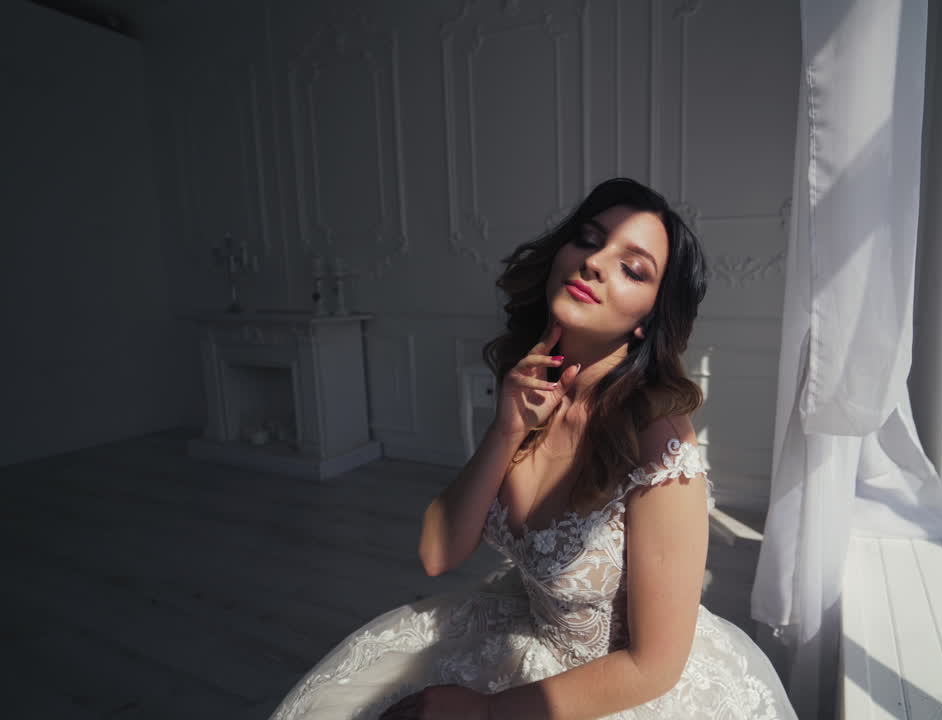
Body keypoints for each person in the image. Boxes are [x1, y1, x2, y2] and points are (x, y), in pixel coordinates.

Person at [267, 178, 796, 719]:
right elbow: (437, 554)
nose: (594, 263)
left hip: (615, 690)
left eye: (633, 269)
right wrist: (506, 430)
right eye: (588, 240)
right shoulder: (532, 390)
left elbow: (652, 668)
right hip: (524, 635)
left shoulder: (660, 444)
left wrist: (485, 712)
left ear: (648, 320)